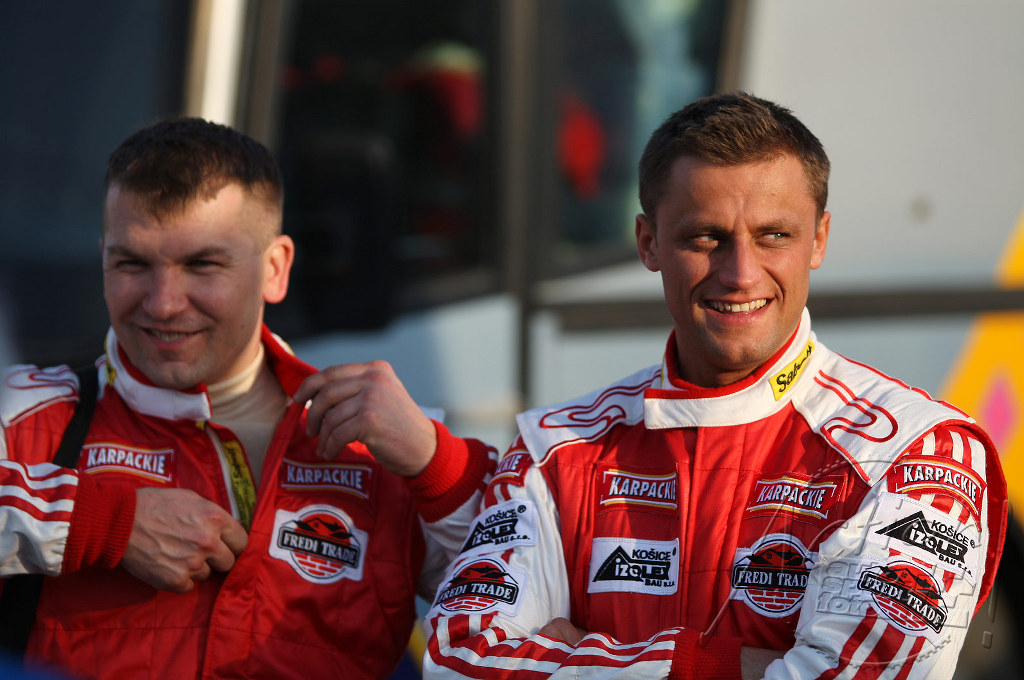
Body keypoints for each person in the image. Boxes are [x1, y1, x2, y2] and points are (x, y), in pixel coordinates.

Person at [423, 92, 1008, 679]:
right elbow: (456, 660)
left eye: (773, 235)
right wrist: (742, 666)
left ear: (819, 239)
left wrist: (584, 658)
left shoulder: (918, 451)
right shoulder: (554, 447)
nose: (740, 274)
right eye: (706, 237)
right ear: (648, 243)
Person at [0, 118, 495, 680]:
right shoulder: (26, 414)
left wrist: (436, 463)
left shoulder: (389, 445)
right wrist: (104, 524)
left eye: (202, 265)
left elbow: (542, 594)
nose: (162, 303)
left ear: (275, 269)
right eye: (132, 263)